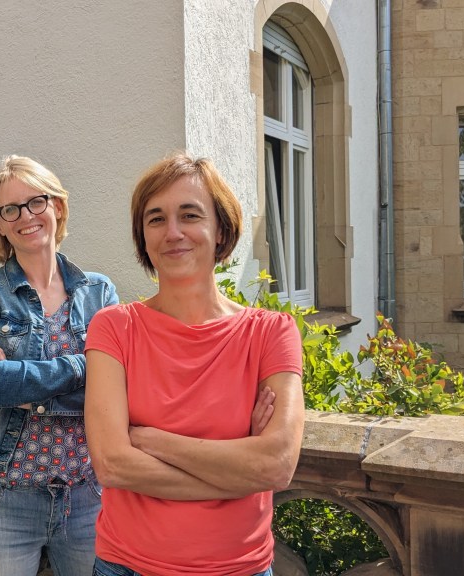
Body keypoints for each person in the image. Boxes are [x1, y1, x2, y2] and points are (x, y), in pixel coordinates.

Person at [84, 153, 305, 576]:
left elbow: (277, 465)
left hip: (240, 568)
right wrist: (238, 473)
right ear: (143, 236)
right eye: (156, 219)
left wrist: (150, 440)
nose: (173, 233)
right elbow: (112, 464)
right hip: (128, 566)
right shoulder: (114, 327)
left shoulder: (271, 332)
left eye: (190, 215)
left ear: (220, 229)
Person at [0, 156, 119, 575]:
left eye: (36, 202)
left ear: (57, 206)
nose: (26, 216)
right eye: (11, 209)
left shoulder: (99, 292)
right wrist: (83, 366)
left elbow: (119, 387)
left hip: (87, 499)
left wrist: (25, 390)